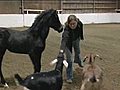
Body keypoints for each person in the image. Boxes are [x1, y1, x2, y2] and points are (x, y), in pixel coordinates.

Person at [57, 15, 84, 83]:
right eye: (70, 24)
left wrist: (81, 36)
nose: (72, 25)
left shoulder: (80, 23)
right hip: (68, 43)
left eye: (74, 24)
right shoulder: (66, 30)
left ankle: (78, 60)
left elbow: (81, 29)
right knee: (69, 60)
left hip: (76, 39)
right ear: (68, 23)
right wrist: (61, 52)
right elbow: (63, 42)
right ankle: (69, 77)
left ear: (76, 22)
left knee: (77, 52)